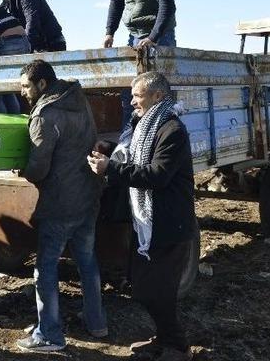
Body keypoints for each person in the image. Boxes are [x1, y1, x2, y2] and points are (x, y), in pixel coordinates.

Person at [87, 72, 195, 361]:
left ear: (157, 96)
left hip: (169, 224)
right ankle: (163, 339)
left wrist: (110, 169)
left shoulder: (171, 130)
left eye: (137, 95)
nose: (132, 100)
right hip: (147, 222)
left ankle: (179, 347)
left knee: (158, 292)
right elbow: (133, 157)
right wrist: (108, 152)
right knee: (145, 287)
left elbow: (157, 175)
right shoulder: (143, 125)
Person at [15, 60, 106, 352]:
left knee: (45, 267)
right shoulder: (78, 101)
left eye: (26, 86)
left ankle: (50, 334)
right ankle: (97, 322)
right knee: (87, 261)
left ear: (42, 84)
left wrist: (23, 170)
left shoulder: (45, 113)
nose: (23, 93)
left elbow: (39, 167)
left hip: (60, 203)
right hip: (88, 196)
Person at [102, 0, 178, 128]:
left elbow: (167, 6)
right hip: (134, 35)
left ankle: (161, 134)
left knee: (158, 91)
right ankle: (132, 138)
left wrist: (153, 37)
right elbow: (115, 3)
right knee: (132, 93)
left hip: (160, 35)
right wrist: (110, 32)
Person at [0, 0, 66, 53]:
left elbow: (32, 22)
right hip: (34, 44)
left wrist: (24, 45)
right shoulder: (6, 4)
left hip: (51, 42)